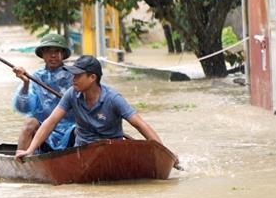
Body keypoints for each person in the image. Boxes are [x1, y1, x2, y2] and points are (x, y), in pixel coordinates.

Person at [15, 55, 164, 160]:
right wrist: (30, 150)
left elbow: (140, 124)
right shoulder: (72, 94)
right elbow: (51, 122)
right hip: (82, 152)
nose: (73, 80)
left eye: (78, 76)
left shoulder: (113, 99)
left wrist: (164, 153)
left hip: (110, 151)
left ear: (92, 78)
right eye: (73, 76)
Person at [12, 33, 75, 152]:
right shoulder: (35, 77)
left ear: (63, 54)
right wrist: (26, 84)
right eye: (48, 52)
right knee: (29, 122)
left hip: (70, 128)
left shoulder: (74, 76)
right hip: (44, 130)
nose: (53, 56)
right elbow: (23, 108)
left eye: (57, 51)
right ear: (42, 55)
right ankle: (21, 162)